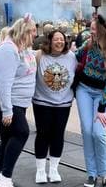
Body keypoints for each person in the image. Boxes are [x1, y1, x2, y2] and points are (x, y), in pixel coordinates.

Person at [0, 15, 37, 187]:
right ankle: (5, 176)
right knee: (21, 132)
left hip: (17, 102)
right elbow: (3, 83)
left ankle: (1, 175)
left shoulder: (23, 48)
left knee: (7, 137)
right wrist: (7, 111)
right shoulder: (8, 50)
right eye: (34, 31)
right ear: (25, 32)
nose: (36, 34)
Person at [75, 14, 106, 187]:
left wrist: (102, 107)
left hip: (102, 95)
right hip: (84, 90)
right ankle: (91, 173)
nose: (91, 32)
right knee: (87, 131)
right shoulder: (88, 45)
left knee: (99, 133)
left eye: (93, 29)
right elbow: (74, 56)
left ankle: (105, 174)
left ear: (103, 30)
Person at [33, 30, 77, 183]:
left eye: (62, 39)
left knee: (58, 135)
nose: (60, 42)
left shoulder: (72, 57)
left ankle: (53, 169)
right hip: (41, 102)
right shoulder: (39, 55)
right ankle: (40, 170)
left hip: (63, 103)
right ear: (49, 41)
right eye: (56, 39)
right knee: (43, 134)